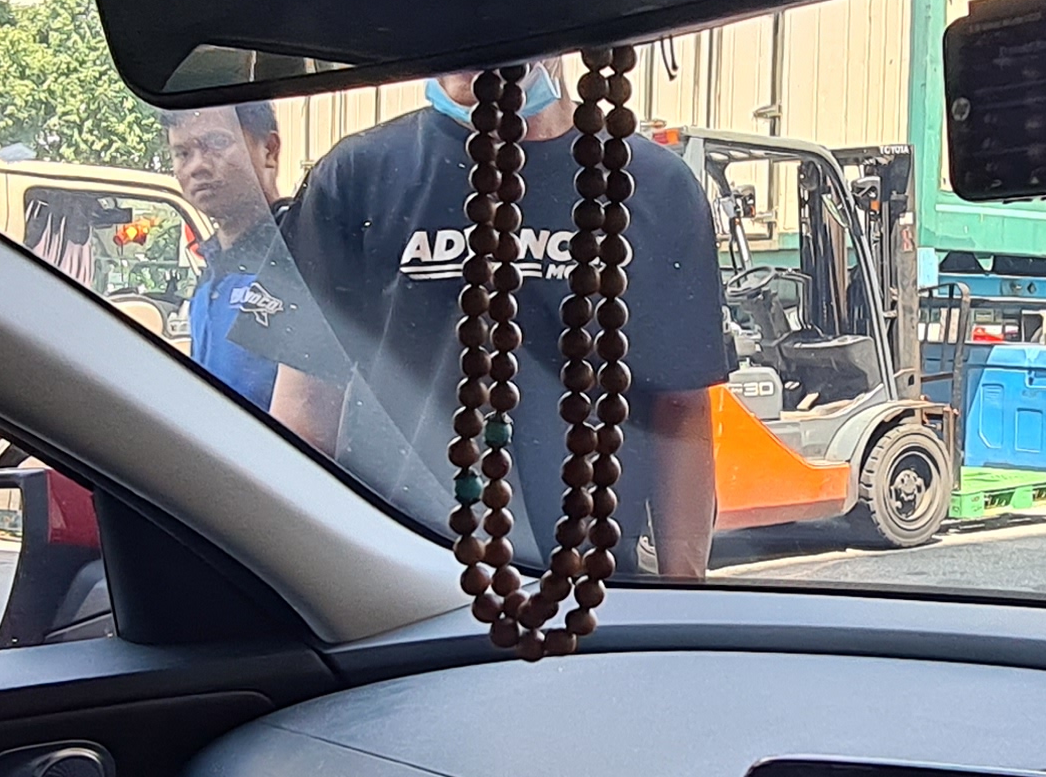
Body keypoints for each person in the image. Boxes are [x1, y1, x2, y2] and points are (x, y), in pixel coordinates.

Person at [266, 58, 726, 578]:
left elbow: (680, 408)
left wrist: (681, 591)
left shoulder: (654, 187)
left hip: (590, 585)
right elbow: (305, 414)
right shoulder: (356, 177)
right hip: (399, 587)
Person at [165, 100, 292, 405]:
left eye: (217, 143)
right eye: (183, 153)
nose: (197, 166)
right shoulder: (210, 266)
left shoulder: (303, 257)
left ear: (269, 150)